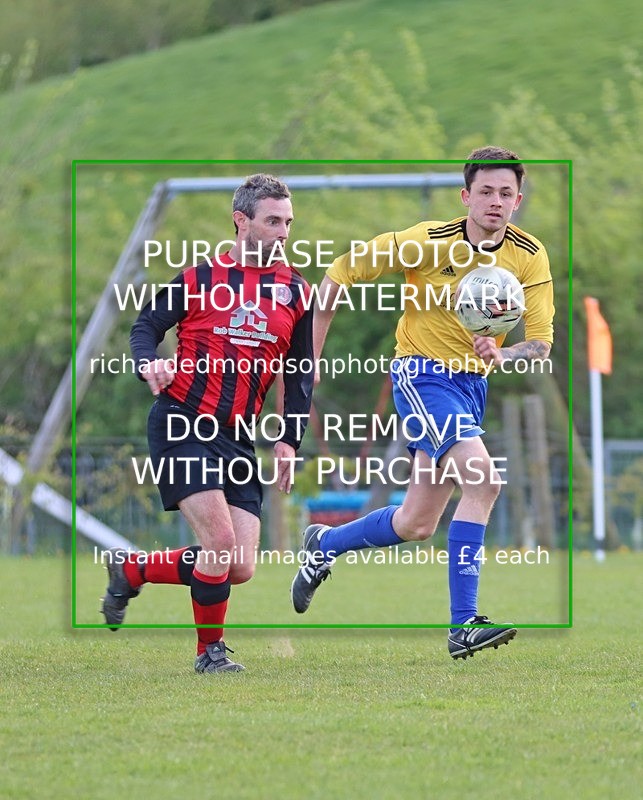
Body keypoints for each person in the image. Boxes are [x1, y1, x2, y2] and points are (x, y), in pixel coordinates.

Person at [290, 147, 554, 660]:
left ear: (517, 200)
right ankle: (464, 626)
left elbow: (540, 343)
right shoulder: (429, 242)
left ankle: (323, 545)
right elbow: (342, 271)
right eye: (485, 192)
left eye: (505, 193)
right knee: (485, 478)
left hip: (472, 386)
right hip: (422, 375)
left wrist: (503, 353)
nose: (495, 202)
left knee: (416, 523)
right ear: (466, 197)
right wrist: (311, 356)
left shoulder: (529, 254)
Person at [101, 173, 314, 673]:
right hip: (183, 421)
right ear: (242, 221)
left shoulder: (296, 291)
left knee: (239, 565)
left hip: (238, 437)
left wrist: (288, 440)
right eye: (272, 221)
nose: (283, 232)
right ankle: (209, 654)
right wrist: (148, 360)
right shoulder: (199, 279)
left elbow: (300, 371)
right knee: (218, 544)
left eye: (288, 222)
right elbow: (145, 326)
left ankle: (132, 569)